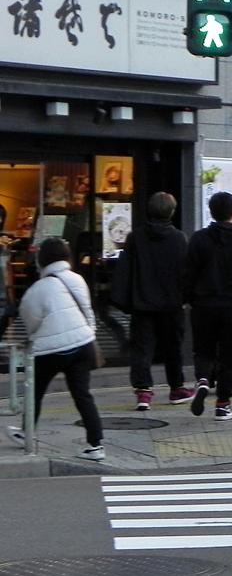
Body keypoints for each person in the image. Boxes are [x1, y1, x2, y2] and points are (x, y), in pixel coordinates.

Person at [4, 237, 104, 460]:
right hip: (82, 345)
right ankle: (96, 445)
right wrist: (90, 334)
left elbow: (30, 323)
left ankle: (26, 432)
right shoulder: (77, 279)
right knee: (82, 395)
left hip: (50, 350)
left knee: (35, 391)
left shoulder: (37, 290)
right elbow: (87, 311)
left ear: (41, 260)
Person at [110, 192, 193, 411]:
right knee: (173, 347)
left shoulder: (135, 238)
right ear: (171, 212)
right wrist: (186, 298)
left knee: (141, 348)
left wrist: (125, 299)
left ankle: (143, 392)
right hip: (172, 304)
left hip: (142, 302)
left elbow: (125, 271)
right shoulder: (179, 239)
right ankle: (176, 388)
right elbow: (186, 274)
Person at [183, 191, 232, 422]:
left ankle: (203, 380)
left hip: (203, 305)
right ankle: (223, 404)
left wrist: (186, 299)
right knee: (230, 356)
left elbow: (188, 274)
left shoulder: (198, 239)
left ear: (211, 212)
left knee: (203, 349)